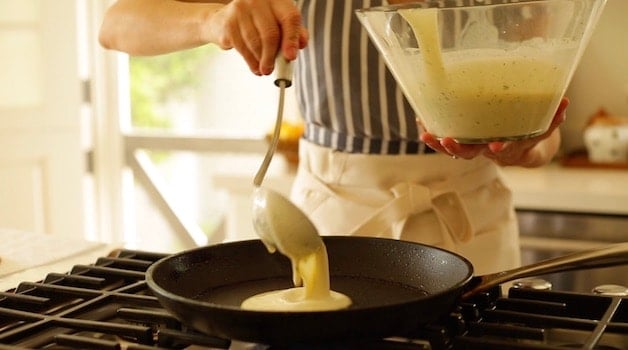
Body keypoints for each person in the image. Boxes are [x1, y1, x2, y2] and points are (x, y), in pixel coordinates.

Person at [99, 0, 568, 275]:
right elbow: (117, 22)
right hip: (335, 232)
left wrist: (525, 146)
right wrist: (213, 19)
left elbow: (547, 141)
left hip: (473, 235)